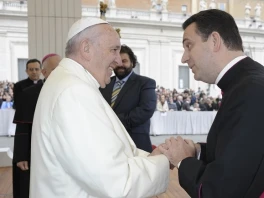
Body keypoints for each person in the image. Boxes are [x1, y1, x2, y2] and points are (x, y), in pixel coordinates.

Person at [158, 9, 264, 197]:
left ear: (214, 41)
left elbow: (221, 190)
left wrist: (183, 161)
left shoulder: (251, 93)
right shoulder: (249, 81)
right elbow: (242, 152)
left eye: (189, 46)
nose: (184, 57)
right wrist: (197, 151)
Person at [30, 18, 169, 198]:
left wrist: (154, 156)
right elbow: (118, 184)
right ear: (86, 48)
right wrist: (165, 160)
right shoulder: (74, 92)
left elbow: (112, 152)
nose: (118, 61)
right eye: (114, 50)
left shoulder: (70, 82)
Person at [12, 54, 61, 198]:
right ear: (44, 72)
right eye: (55, 70)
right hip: (36, 150)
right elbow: (22, 127)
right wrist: (21, 156)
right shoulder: (29, 94)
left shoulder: (70, 90)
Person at [100, 44, 157, 152]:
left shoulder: (145, 83)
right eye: (116, 62)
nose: (120, 64)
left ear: (132, 63)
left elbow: (146, 110)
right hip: (109, 144)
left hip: (135, 144)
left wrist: (113, 120)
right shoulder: (104, 83)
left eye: (124, 61)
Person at [12, 58, 42, 198]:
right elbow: (19, 108)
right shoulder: (20, 86)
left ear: (41, 70)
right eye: (31, 69)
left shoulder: (46, 85)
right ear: (26, 71)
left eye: (36, 69)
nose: (34, 72)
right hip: (26, 127)